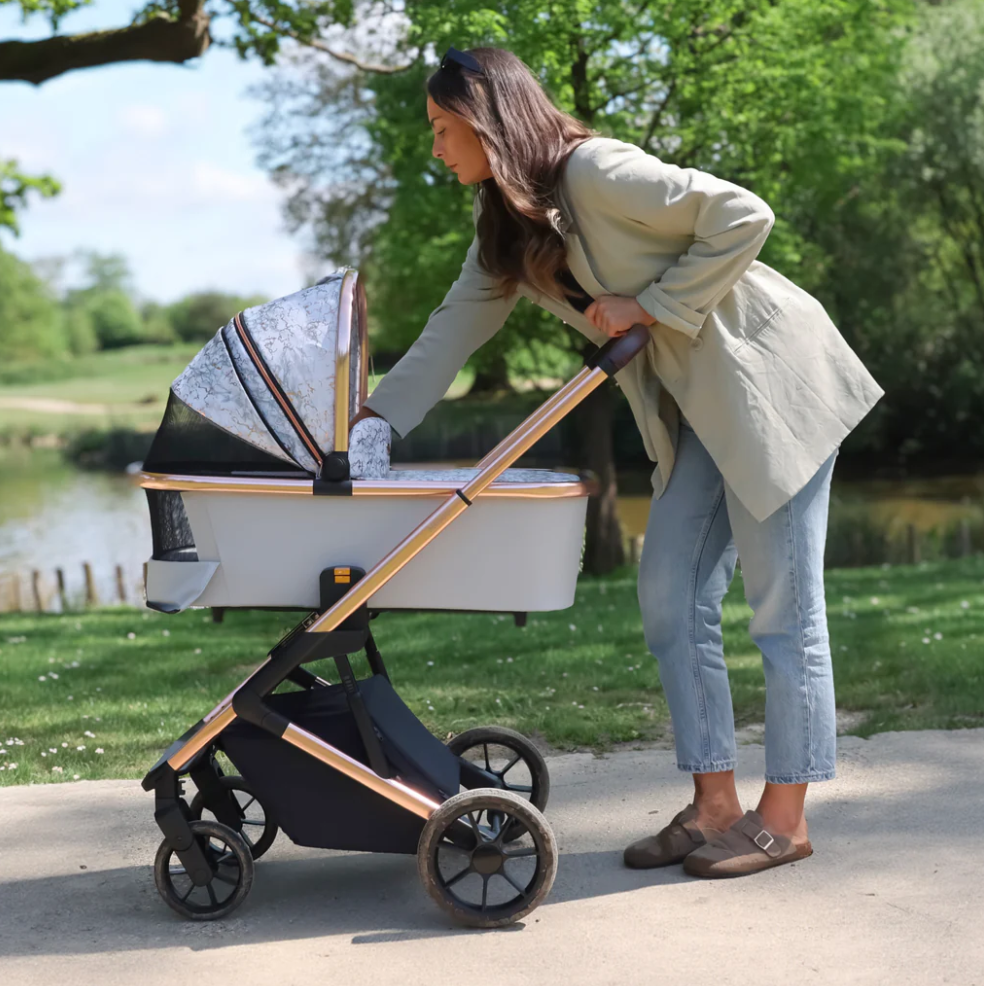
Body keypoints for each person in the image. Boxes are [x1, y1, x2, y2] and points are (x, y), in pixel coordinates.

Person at [350, 46, 884, 878]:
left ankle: (786, 818)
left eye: (443, 128)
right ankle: (716, 806)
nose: (436, 148)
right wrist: (373, 422)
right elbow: (449, 331)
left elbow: (743, 213)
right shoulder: (510, 227)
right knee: (670, 598)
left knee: (785, 613)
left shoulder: (596, 171)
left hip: (772, 390)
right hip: (698, 417)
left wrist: (654, 307)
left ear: (487, 122)